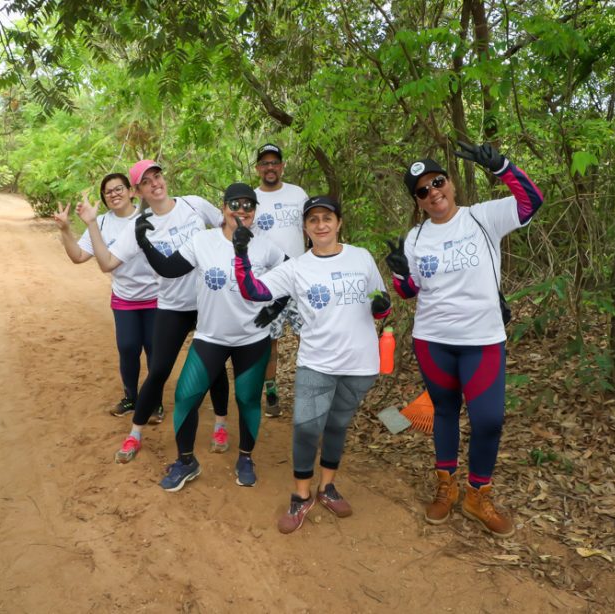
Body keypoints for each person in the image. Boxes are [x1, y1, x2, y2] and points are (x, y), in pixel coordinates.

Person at [385, 142, 543, 538]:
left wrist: (502, 166)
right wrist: (401, 275)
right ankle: (446, 485)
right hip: (433, 339)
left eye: (437, 182)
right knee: (444, 413)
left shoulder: (482, 217)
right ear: (418, 201)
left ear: (451, 183)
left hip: (482, 338)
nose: (433, 192)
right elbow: (410, 292)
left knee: (489, 419)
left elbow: (531, 202)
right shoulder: (415, 237)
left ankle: (478, 494)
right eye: (422, 190)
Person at [232, 195, 391, 533]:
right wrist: (241, 256)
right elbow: (254, 291)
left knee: (337, 426)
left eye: (327, 218)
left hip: (360, 362)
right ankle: (301, 494)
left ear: (339, 222)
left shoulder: (361, 257)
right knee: (306, 427)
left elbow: (379, 306)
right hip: (316, 361)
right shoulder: (297, 267)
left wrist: (384, 307)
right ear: (305, 228)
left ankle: (327, 487)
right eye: (313, 219)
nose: (321, 225)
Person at [135, 182, 287, 491]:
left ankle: (246, 457)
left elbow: (291, 273)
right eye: (236, 203)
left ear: (255, 212)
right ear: (223, 207)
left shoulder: (265, 246)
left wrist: (275, 309)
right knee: (185, 397)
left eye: (249, 205)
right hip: (210, 337)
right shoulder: (203, 241)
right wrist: (143, 242)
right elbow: (169, 269)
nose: (242, 210)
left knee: (247, 401)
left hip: (252, 339)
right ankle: (186, 461)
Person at [79, 160, 232, 463]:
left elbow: (227, 227)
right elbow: (107, 263)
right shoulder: (140, 226)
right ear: (138, 191)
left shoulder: (193, 204)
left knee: (213, 369)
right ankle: (135, 434)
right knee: (158, 370)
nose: (155, 184)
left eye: (157, 176)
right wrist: (91, 224)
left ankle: (220, 425)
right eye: (146, 182)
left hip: (207, 302)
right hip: (172, 306)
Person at [53, 173, 158, 417]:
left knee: (154, 349)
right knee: (128, 347)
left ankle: (155, 401)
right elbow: (78, 256)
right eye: (108, 192)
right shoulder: (100, 223)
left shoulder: (149, 217)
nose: (114, 194)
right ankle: (131, 398)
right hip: (124, 298)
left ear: (132, 191)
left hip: (156, 296)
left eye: (119, 188)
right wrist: (66, 230)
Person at [252, 143, 309, 417]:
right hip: (269, 283)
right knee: (269, 341)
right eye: (265, 163)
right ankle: (271, 392)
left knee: (307, 336)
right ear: (258, 169)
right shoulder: (251, 199)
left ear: (282, 166)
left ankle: (309, 391)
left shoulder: (297, 194)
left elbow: (311, 230)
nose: (270, 167)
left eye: (275, 162)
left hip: (300, 279)